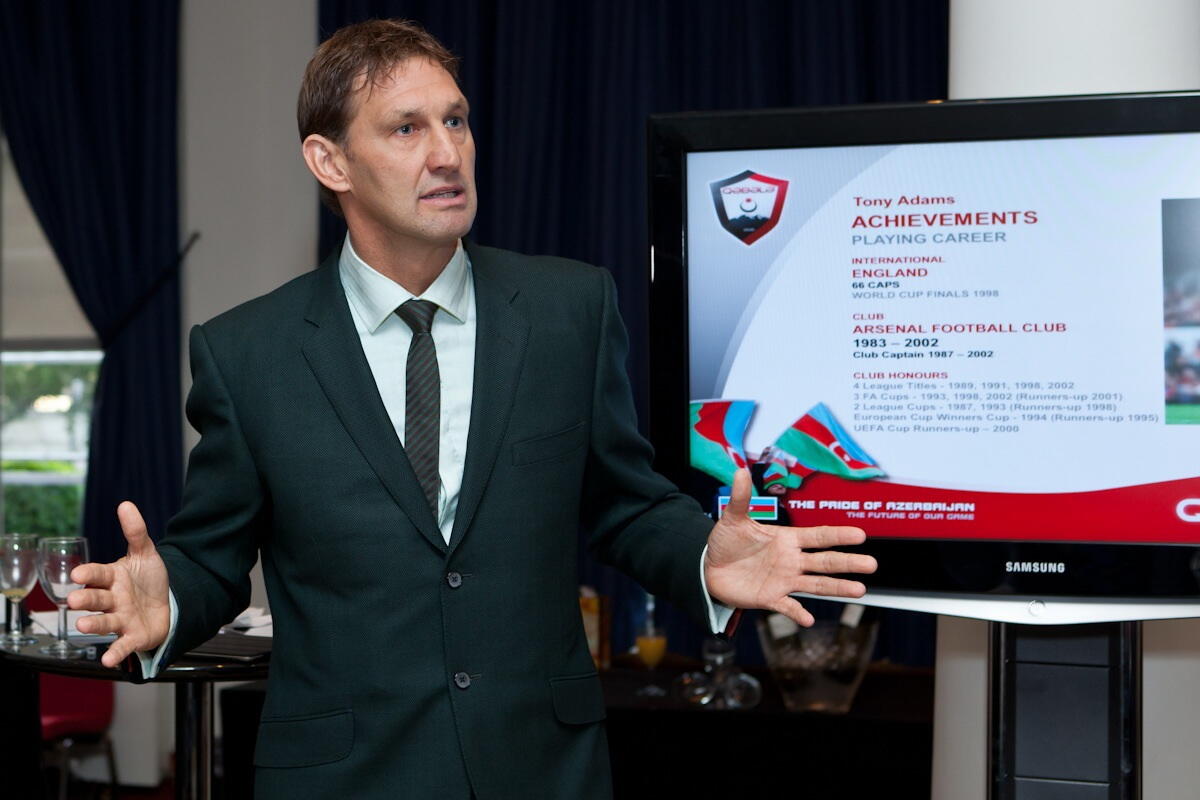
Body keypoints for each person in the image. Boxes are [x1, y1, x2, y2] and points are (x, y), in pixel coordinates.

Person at [68, 19, 876, 799]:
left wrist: (704, 557)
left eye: (455, 120)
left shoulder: (568, 310)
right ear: (330, 160)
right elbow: (214, 554)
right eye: (407, 129)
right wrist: (169, 597)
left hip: (540, 766)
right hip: (347, 775)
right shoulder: (247, 353)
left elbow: (623, 505)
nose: (447, 153)